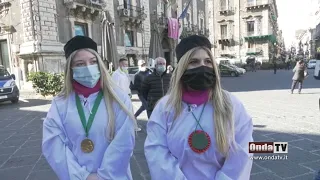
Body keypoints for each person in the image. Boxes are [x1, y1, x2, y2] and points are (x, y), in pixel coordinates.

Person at [144, 35, 253, 180]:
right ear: (182, 67)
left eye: (208, 61)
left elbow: (243, 149)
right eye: (194, 62)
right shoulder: (165, 107)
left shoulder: (232, 105)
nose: (203, 66)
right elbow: (156, 151)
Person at [42, 36, 136, 180]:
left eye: (93, 62)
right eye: (80, 64)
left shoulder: (119, 99)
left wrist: (103, 176)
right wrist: (81, 176)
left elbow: (124, 143)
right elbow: (54, 145)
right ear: (70, 69)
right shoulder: (60, 103)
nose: (88, 68)